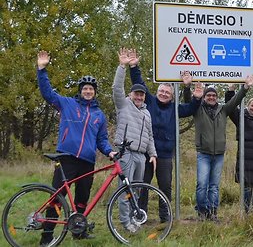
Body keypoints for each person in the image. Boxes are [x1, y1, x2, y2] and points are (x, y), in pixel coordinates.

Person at [36, 51, 115, 246]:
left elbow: (102, 140)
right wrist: (41, 69)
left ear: (95, 92)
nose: (88, 91)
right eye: (85, 88)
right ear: (80, 91)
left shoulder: (99, 115)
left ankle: (78, 231)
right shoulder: (67, 104)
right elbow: (47, 93)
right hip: (66, 158)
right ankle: (46, 237)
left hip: (87, 161)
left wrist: (110, 151)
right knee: (57, 197)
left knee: (81, 199)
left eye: (91, 89)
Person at [129, 49, 203, 223]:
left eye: (167, 93)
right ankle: (141, 216)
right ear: (157, 92)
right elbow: (139, 84)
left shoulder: (175, 108)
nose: (163, 94)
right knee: (143, 186)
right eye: (161, 91)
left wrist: (197, 97)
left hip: (165, 155)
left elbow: (191, 108)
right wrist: (133, 66)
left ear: (171, 96)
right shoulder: (151, 102)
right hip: (146, 153)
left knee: (165, 187)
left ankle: (165, 216)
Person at [194, 75, 253, 221]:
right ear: (204, 97)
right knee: (202, 185)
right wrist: (189, 90)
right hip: (203, 153)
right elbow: (188, 102)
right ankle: (202, 212)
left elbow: (235, 101)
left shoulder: (223, 110)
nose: (211, 97)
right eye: (208, 95)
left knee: (214, 186)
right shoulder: (198, 110)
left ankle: (213, 212)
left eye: (214, 95)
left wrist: (245, 88)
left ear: (217, 97)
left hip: (219, 154)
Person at [113, 48, 157, 233]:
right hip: (126, 153)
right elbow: (117, 88)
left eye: (142, 94)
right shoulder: (123, 105)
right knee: (125, 189)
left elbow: (150, 136)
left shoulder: (146, 113)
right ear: (131, 95)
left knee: (136, 190)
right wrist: (123, 66)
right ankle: (125, 223)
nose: (139, 97)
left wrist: (153, 154)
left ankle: (134, 218)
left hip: (141, 156)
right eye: (136, 94)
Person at [225, 87, 253, 216]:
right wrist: (230, 92)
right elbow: (231, 107)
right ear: (248, 106)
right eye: (252, 106)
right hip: (246, 158)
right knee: (247, 187)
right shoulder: (241, 117)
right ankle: (245, 213)